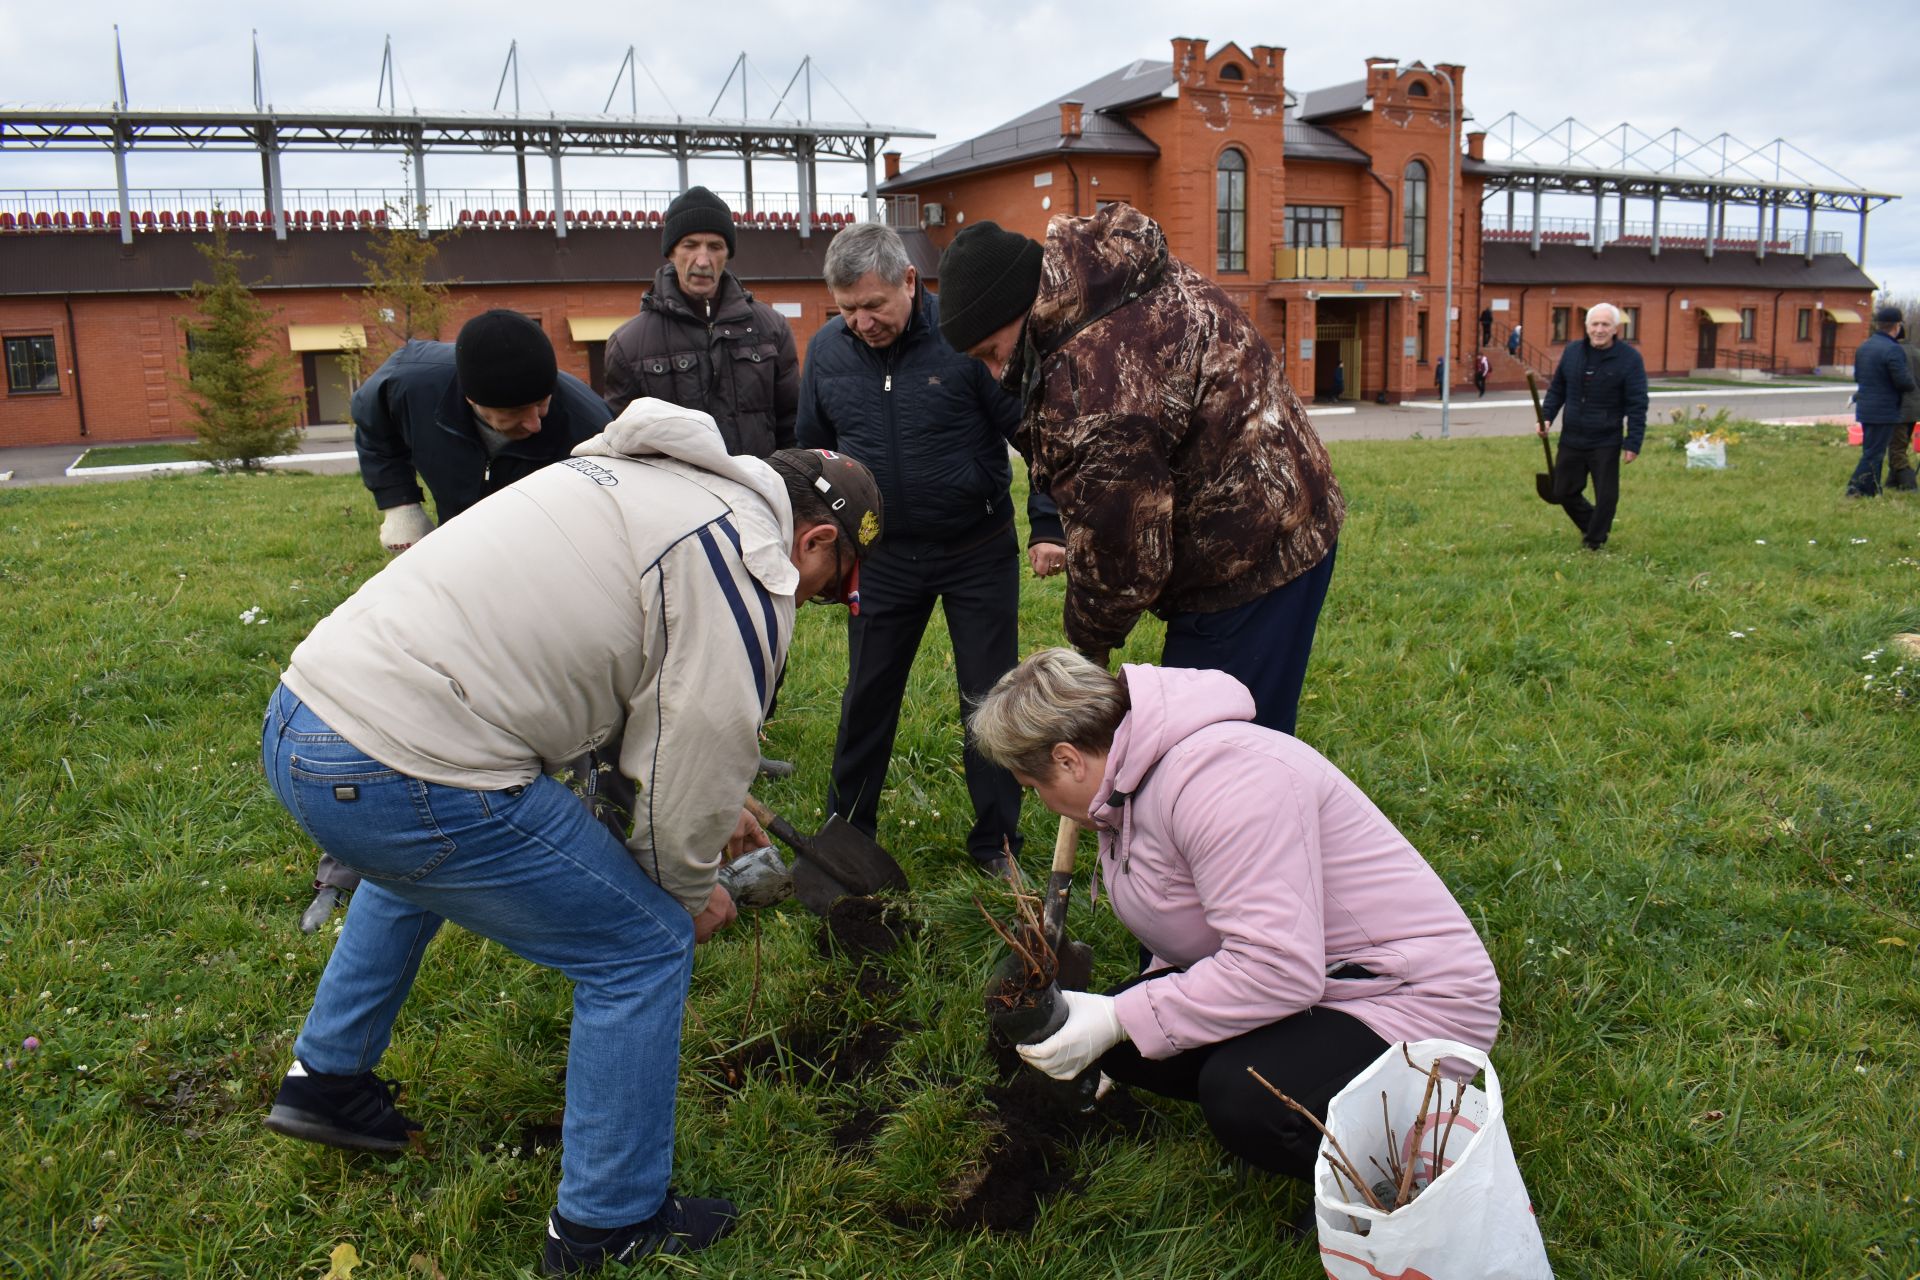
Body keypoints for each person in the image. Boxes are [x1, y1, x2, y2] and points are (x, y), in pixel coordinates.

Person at [261, 402, 884, 1277]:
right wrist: (682, 890)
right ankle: (607, 1221)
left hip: (305, 724)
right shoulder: (746, 561)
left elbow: (602, 677)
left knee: (409, 868)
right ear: (817, 541)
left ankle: (325, 1082)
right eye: (837, 584)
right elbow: (687, 764)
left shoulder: (642, 481)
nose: (819, 599)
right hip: (409, 773)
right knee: (640, 947)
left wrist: (700, 792)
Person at [970, 650, 1500, 1190]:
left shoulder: (1225, 782)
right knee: (1129, 1044)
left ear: (1067, 760)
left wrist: (1123, 1016)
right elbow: (1194, 919)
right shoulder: (1125, 789)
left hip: (1408, 998)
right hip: (1321, 978)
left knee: (1245, 1097)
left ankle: (1404, 1178)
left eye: (1034, 788)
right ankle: (1322, 1092)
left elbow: (1278, 970)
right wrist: (1126, 1017)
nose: (1040, 803)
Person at [935, 205, 1344, 735]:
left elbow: (1122, 552)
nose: (996, 373)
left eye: (993, 352)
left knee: (1219, 748)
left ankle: (1253, 814)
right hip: (1281, 502)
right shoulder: (1111, 278)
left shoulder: (1094, 381)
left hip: (1255, 561)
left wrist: (1087, 643)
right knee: (1216, 733)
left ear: (1025, 306)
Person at [307, 311, 613, 932]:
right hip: (450, 557)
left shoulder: (584, 421)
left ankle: (597, 829)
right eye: (517, 413)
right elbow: (372, 421)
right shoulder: (412, 382)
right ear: (472, 400)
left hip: (547, 566)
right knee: (412, 700)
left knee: (571, 703)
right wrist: (398, 505)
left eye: (542, 403)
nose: (537, 422)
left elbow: (614, 514)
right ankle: (350, 864)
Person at [796, 221, 1060, 879]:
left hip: (977, 548)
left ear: (909, 281)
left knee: (990, 699)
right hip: (881, 560)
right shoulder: (827, 353)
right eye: (847, 309)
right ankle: (846, 836)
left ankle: (997, 847)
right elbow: (811, 458)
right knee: (866, 700)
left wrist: (1049, 523)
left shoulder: (963, 342)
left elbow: (1037, 436)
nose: (861, 322)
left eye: (874, 305)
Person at [601, 186, 799, 457]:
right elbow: (620, 446)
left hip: (758, 494)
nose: (703, 260)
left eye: (715, 247)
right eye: (690, 245)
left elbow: (793, 426)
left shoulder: (772, 328)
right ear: (671, 252)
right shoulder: (628, 344)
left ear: (727, 254)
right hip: (676, 498)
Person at [1536, 301, 1647, 550]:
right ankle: (1594, 525)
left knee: (1606, 496)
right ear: (1586, 327)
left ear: (1615, 329)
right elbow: (1558, 389)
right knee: (1562, 491)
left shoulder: (1629, 359)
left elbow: (1637, 403)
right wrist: (1546, 417)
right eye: (1595, 324)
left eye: (1605, 324)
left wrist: (1633, 442)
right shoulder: (1573, 352)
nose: (1599, 329)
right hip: (1572, 436)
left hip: (1605, 440)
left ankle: (1594, 540)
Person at [1848, 305, 1918, 498]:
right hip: (1885, 409)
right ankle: (1855, 488)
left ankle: (1872, 489)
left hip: (1866, 408)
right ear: (1896, 326)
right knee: (1874, 453)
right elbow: (1903, 381)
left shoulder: (1864, 346)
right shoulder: (1893, 349)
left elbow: (1858, 377)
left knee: (1872, 450)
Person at [1894, 319, 1920, 492]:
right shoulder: (1916, 352)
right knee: (1900, 444)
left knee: (1896, 446)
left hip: (1899, 406)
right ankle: (1892, 481)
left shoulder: (1893, 352)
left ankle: (1909, 483)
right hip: (1915, 407)